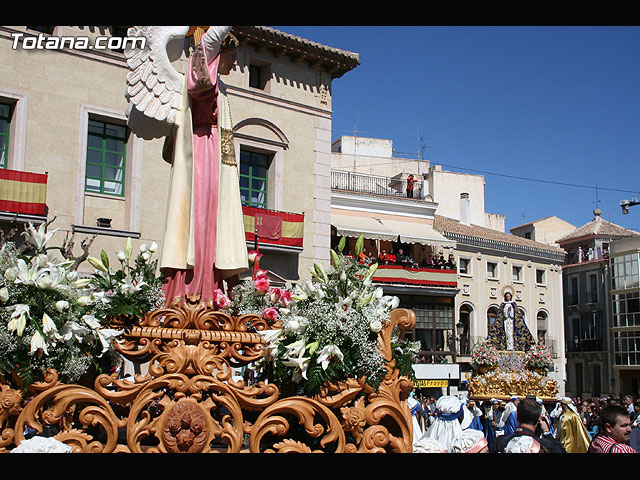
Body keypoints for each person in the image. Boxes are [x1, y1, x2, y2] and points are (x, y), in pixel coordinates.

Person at [159, 26, 248, 306]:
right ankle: (195, 288)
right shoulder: (201, 76)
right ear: (219, 53)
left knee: (214, 219)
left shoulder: (220, 87)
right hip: (201, 153)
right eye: (233, 55)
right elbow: (207, 43)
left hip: (215, 159)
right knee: (200, 217)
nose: (236, 62)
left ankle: (212, 286)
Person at [493, 398, 565, 453]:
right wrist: (547, 433)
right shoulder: (547, 445)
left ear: (517, 416)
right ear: (538, 419)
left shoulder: (499, 442)